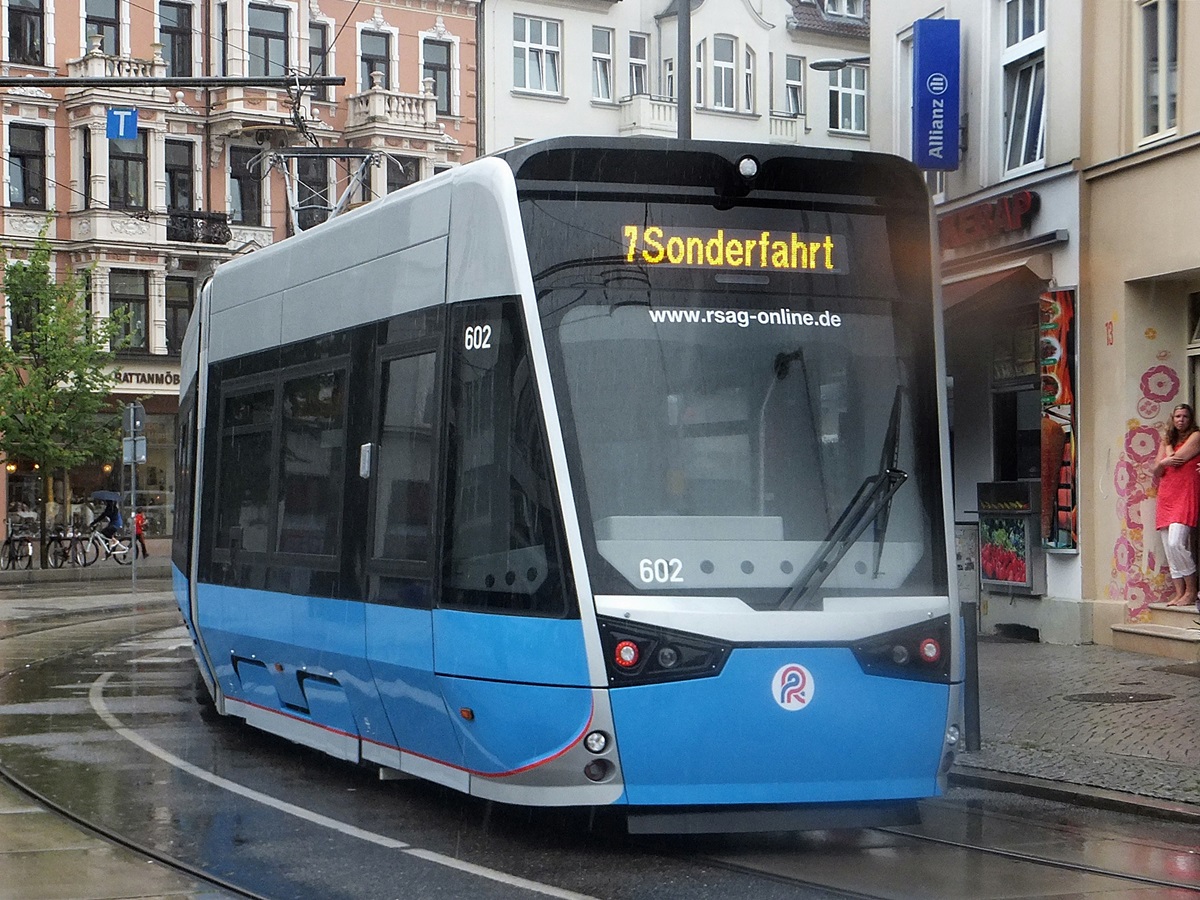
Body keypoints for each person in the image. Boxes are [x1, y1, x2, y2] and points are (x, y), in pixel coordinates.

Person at [1153, 403, 1200, 607]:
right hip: (1167, 495)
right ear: (1172, 419)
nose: (1181, 420)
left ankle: (1191, 589)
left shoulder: (1196, 436)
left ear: (1191, 420)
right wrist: (1163, 462)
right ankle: (1179, 592)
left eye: (1185, 417)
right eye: (1177, 417)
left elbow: (1178, 459)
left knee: (1176, 543)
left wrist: (1167, 450)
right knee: (1168, 548)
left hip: (1185, 494)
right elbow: (1156, 470)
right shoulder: (1167, 440)